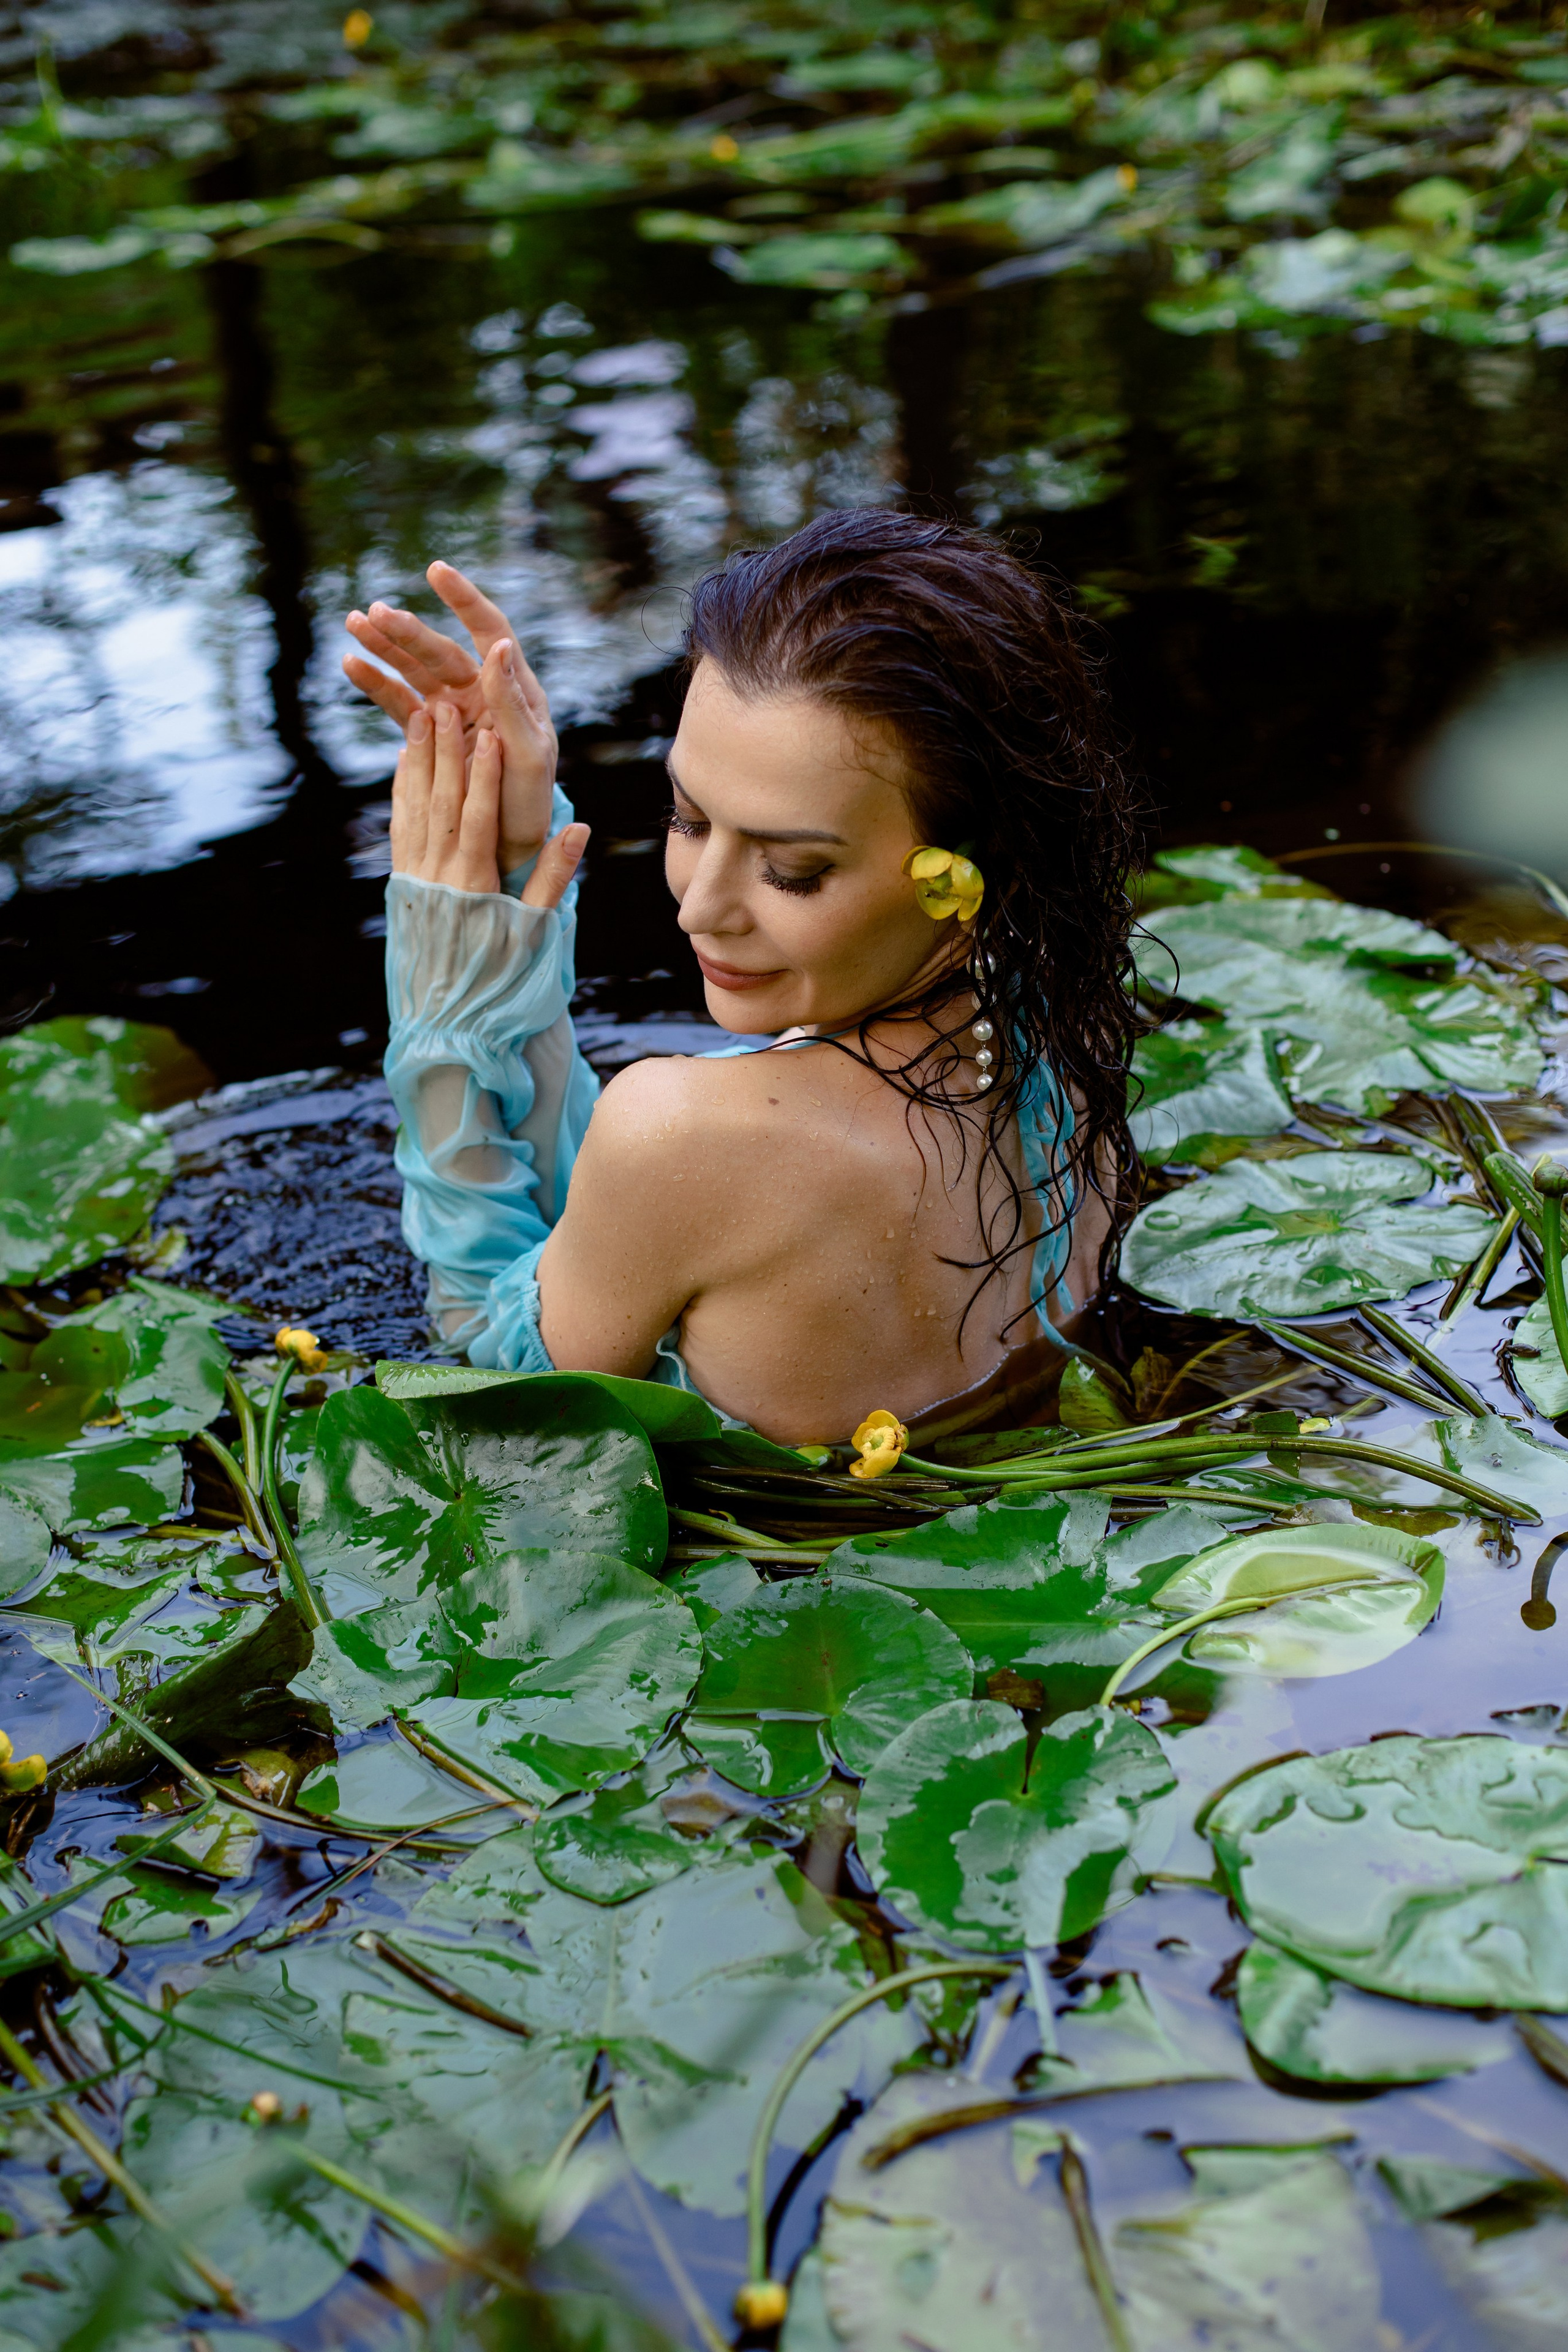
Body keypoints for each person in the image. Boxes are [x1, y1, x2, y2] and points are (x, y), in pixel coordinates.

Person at [344, 510, 1139, 1448]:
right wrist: (519, 869)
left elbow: (497, 1386)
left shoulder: (681, 1138)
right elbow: (622, 1225)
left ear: (971, 871)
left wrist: (442, 1018)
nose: (698, 907)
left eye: (792, 871)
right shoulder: (1062, 1026)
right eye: (687, 819)